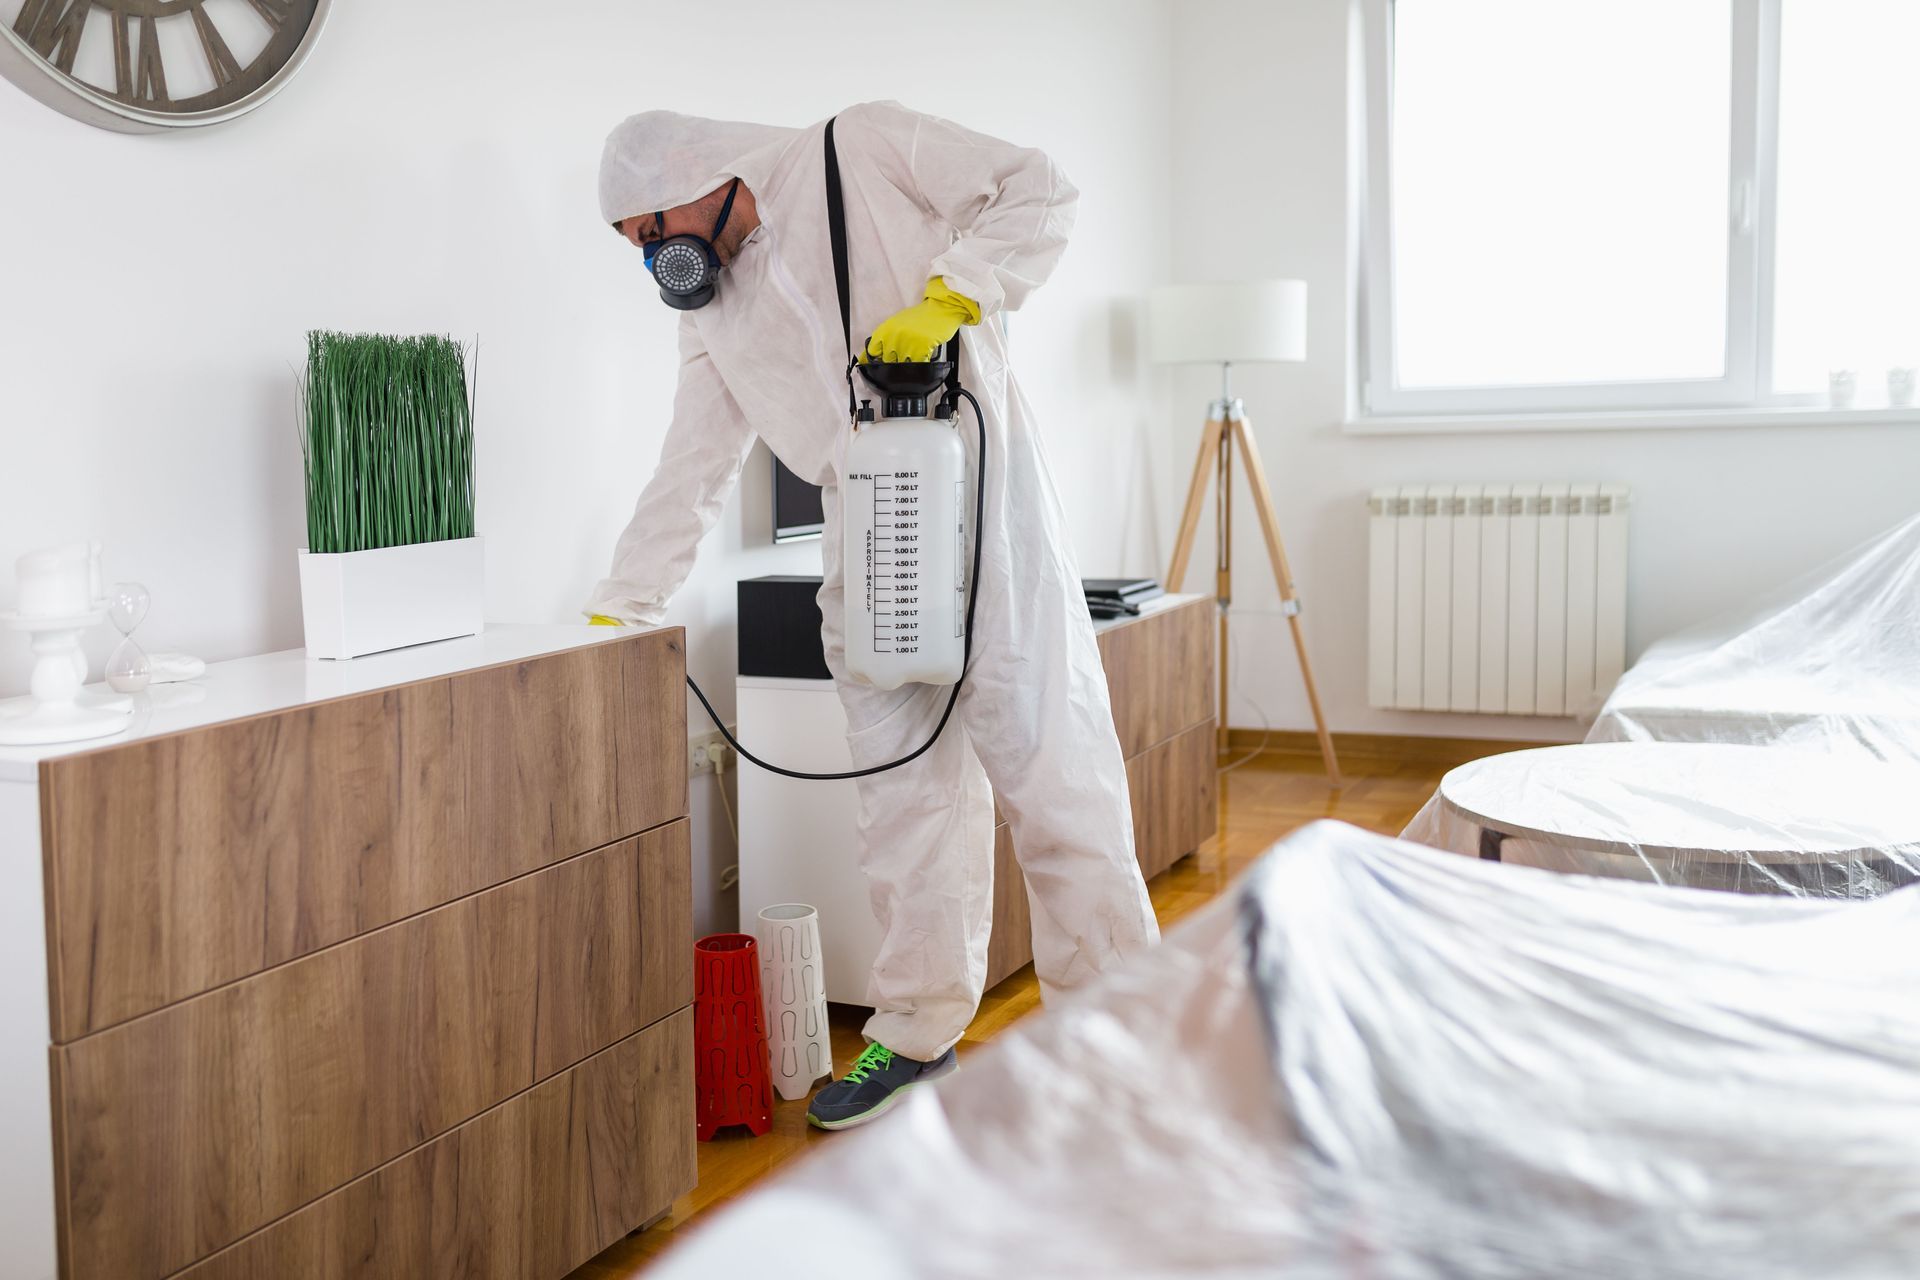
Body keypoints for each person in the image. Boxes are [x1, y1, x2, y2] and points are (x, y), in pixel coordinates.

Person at [586, 102, 1159, 1130]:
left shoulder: (861, 148)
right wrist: (620, 601)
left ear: (693, 174)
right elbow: (693, 466)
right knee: (903, 800)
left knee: (1055, 776)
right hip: (868, 534)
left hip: (985, 501)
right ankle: (916, 1026)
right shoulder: (711, 316)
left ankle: (1117, 1037)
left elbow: (1040, 189)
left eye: (649, 229)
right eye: (637, 251)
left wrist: (952, 297)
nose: (656, 259)